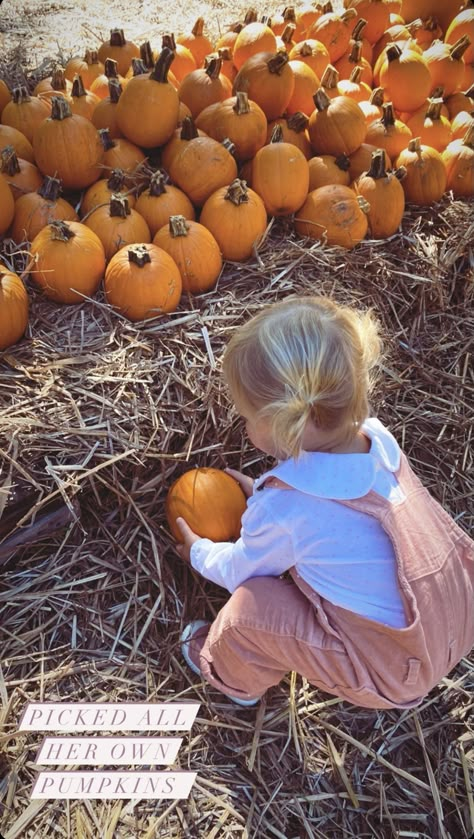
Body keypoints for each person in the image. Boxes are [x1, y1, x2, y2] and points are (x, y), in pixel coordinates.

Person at [172, 296, 474, 708]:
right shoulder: (377, 441)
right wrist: (268, 496)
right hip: (454, 618)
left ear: (284, 423)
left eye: (247, 416)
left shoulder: (288, 509)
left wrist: (199, 552)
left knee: (250, 610)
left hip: (391, 669)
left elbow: (239, 569)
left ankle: (232, 676)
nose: (243, 425)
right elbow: (331, 520)